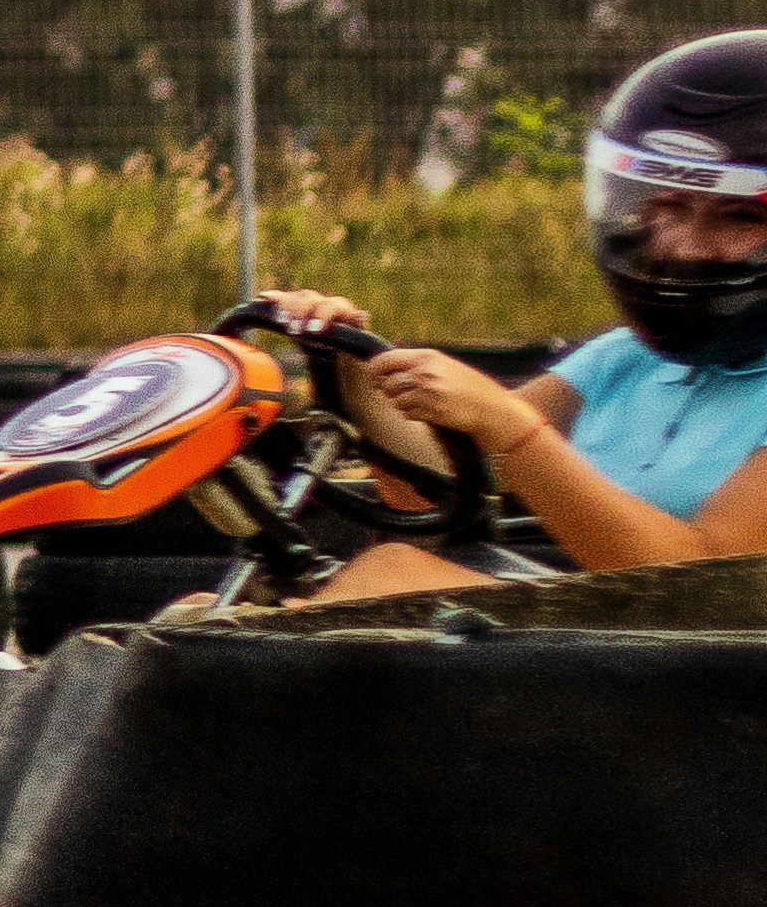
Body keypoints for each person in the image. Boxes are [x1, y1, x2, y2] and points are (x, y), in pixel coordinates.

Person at [260, 30, 767, 601]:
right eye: (670, 206)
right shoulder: (626, 360)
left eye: (740, 219)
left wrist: (511, 426)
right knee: (219, 611)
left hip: (699, 667)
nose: (685, 248)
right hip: (597, 649)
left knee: (395, 579)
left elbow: (701, 591)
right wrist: (351, 377)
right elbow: (436, 492)